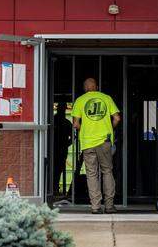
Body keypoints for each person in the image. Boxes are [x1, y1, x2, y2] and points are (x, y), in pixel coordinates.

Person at [71, 77, 121, 213]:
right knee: (107, 171)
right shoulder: (106, 98)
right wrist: (109, 128)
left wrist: (86, 130)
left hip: (87, 142)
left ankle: (95, 207)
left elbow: (75, 124)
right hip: (104, 141)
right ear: (96, 87)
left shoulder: (80, 101)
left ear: (85, 88)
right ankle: (109, 206)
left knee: (91, 174)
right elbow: (117, 118)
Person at [51, 98, 72, 195]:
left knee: (58, 169)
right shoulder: (53, 121)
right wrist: (67, 144)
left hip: (59, 149)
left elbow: (73, 136)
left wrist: (66, 144)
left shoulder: (65, 122)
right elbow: (73, 137)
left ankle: (54, 188)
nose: (62, 110)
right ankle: (53, 188)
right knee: (55, 169)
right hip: (54, 149)